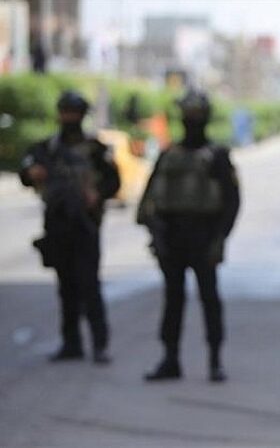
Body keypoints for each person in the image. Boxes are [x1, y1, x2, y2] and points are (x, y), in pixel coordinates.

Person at [138, 89, 240, 382]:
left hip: (204, 235)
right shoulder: (169, 155)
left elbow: (231, 201)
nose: (191, 119)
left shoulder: (217, 156)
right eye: (188, 114)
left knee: (209, 299)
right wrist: (156, 232)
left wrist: (220, 238)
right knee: (173, 300)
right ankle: (170, 359)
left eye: (196, 114)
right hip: (172, 235)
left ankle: (215, 360)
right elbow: (149, 200)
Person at [19, 90, 120, 364]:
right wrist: (31, 173)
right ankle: (71, 343)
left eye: (74, 113)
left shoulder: (95, 149)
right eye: (66, 112)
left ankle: (99, 344)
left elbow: (113, 181)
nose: (69, 118)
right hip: (57, 223)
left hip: (85, 225)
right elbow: (25, 173)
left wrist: (97, 194)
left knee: (89, 285)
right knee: (66, 288)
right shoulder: (46, 148)